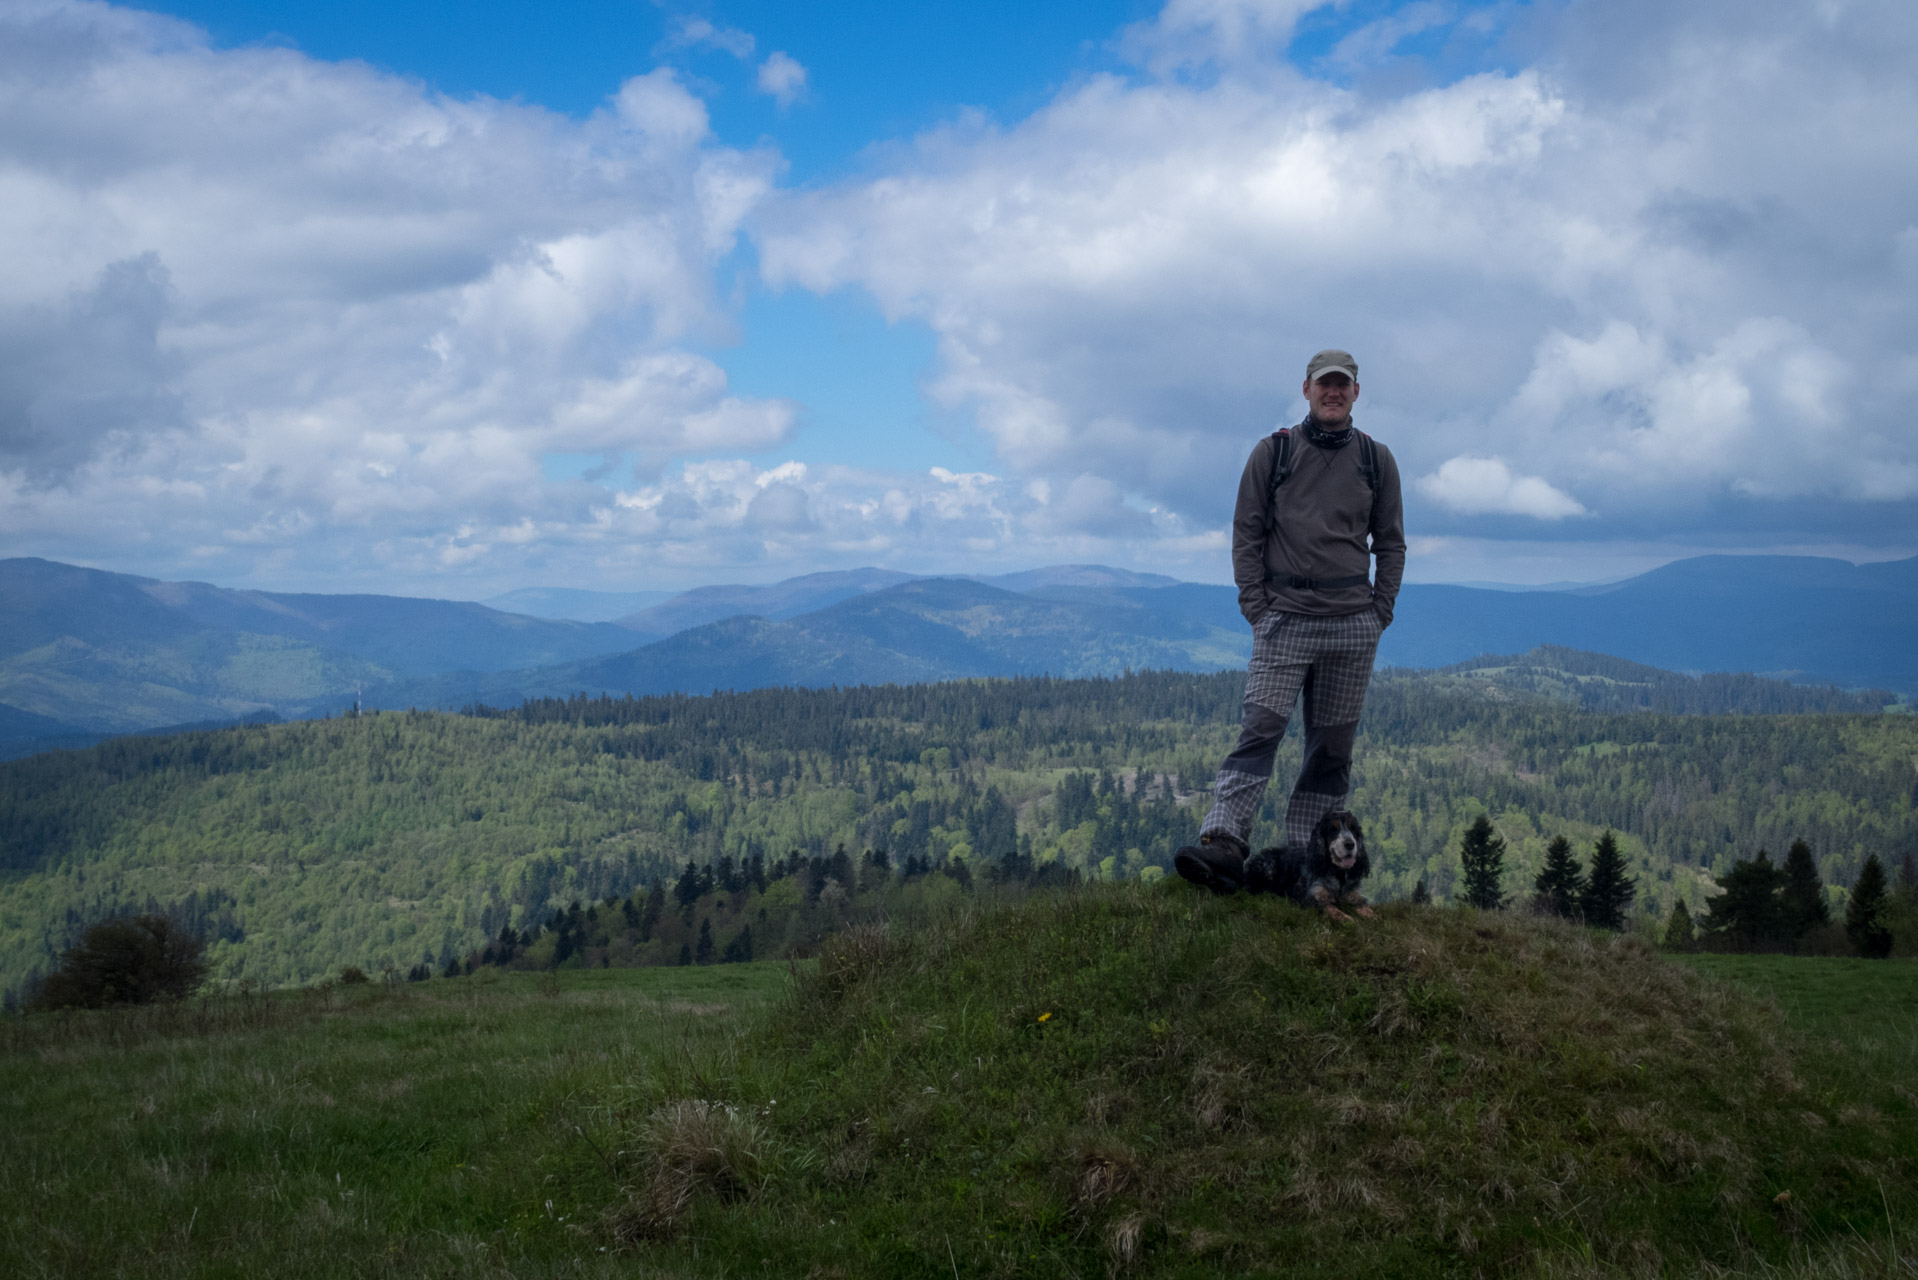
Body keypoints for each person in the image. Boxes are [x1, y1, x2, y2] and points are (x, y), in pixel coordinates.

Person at [1174, 348, 1405, 893]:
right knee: (1261, 728)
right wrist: (1256, 607)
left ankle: (1311, 868)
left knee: (1331, 751)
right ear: (1306, 390)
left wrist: (1380, 612)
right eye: (1324, 384)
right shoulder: (1273, 453)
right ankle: (1224, 845)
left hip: (1353, 624)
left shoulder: (1377, 459)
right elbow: (1246, 532)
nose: (1333, 392)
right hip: (1285, 619)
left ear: (1355, 393)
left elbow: (1390, 543)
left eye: (1342, 385)